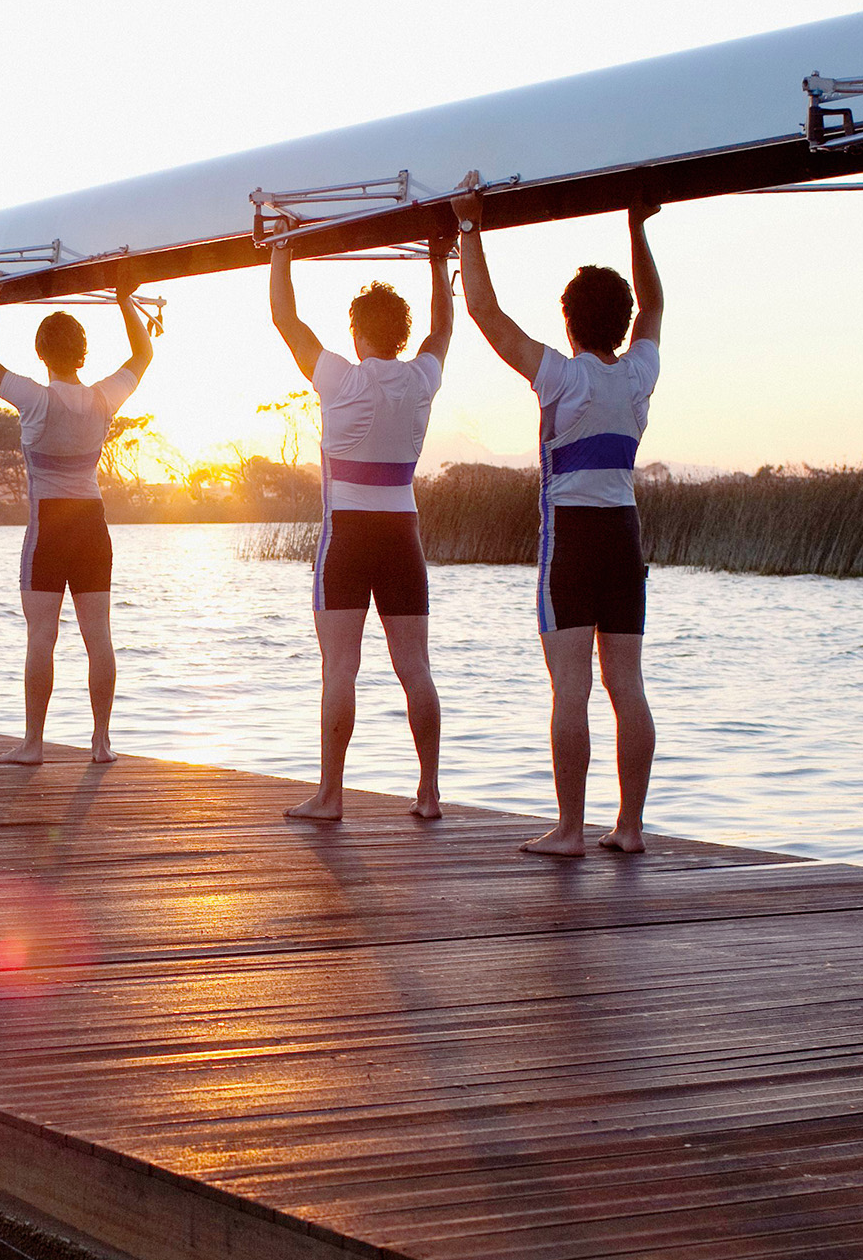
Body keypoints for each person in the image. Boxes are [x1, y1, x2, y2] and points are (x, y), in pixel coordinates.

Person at [452, 182, 661, 855]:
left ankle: (570, 831)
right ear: (621, 324)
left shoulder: (562, 378)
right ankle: (628, 828)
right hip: (625, 540)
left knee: (570, 688)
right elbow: (655, 305)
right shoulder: (638, 375)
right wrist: (639, 227)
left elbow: (483, 311)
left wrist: (468, 226)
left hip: (570, 542)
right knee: (625, 684)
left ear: (569, 324)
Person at [266, 233, 454, 822]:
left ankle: (331, 795)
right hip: (403, 534)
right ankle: (428, 793)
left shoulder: (340, 378)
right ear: (399, 333)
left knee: (340, 668)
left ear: (357, 332)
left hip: (346, 534)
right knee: (415, 667)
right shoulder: (422, 378)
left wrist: (281, 249)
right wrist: (437, 259)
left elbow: (283, 317)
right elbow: (442, 332)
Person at [0, 281, 155, 765]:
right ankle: (101, 742)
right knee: (99, 637)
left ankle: (33, 744)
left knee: (41, 636)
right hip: (93, 525)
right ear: (82, 353)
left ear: (41, 353)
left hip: (48, 527)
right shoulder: (102, 399)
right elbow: (143, 355)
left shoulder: (35, 398)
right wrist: (125, 300)